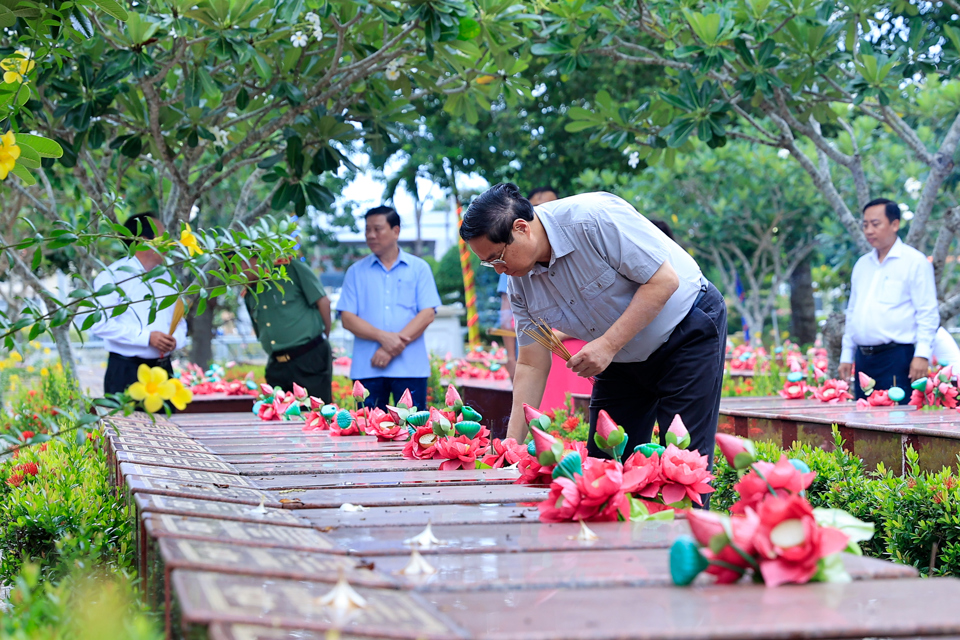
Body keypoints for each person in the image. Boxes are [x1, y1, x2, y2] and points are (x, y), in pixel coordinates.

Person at [460, 184, 727, 467]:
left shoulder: (592, 219)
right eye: (489, 264)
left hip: (686, 330)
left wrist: (609, 344)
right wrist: (510, 449)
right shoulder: (520, 281)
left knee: (683, 465)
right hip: (619, 357)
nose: (500, 270)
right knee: (604, 468)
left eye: (497, 258)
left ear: (521, 228)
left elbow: (664, 281)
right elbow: (531, 364)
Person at [338, 206, 441, 410]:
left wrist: (390, 348)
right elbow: (347, 318)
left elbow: (427, 313)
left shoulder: (419, 268)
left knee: (415, 432)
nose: (371, 235)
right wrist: (383, 338)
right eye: (367, 230)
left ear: (396, 231)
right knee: (369, 435)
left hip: (411, 368)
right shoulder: (355, 272)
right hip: (367, 369)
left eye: (377, 229)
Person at [839, 198, 938, 401]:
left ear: (895, 224)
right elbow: (852, 312)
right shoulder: (862, 265)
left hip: (897, 358)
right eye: (865, 225)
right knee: (863, 423)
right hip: (863, 359)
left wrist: (922, 354)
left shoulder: (915, 262)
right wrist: (846, 355)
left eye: (875, 224)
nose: (868, 230)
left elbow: (927, 311)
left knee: (896, 422)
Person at [92, 213, 187, 394]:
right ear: (143, 241)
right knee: (124, 423)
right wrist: (147, 338)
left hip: (163, 370)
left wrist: (176, 341)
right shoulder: (113, 277)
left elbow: (179, 320)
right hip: (126, 371)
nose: (170, 241)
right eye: (163, 236)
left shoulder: (169, 278)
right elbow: (100, 324)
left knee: (168, 423)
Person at [242, 255, 333, 401]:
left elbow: (323, 302)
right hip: (277, 365)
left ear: (252, 258)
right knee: (278, 418)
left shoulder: (290, 268)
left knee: (316, 415)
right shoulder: (249, 292)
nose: (234, 274)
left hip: (308, 358)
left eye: (235, 266)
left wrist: (322, 340)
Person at [498, 186, 561, 378]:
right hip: (534, 351)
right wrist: (511, 358)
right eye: (537, 208)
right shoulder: (512, 263)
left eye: (549, 206)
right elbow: (507, 315)